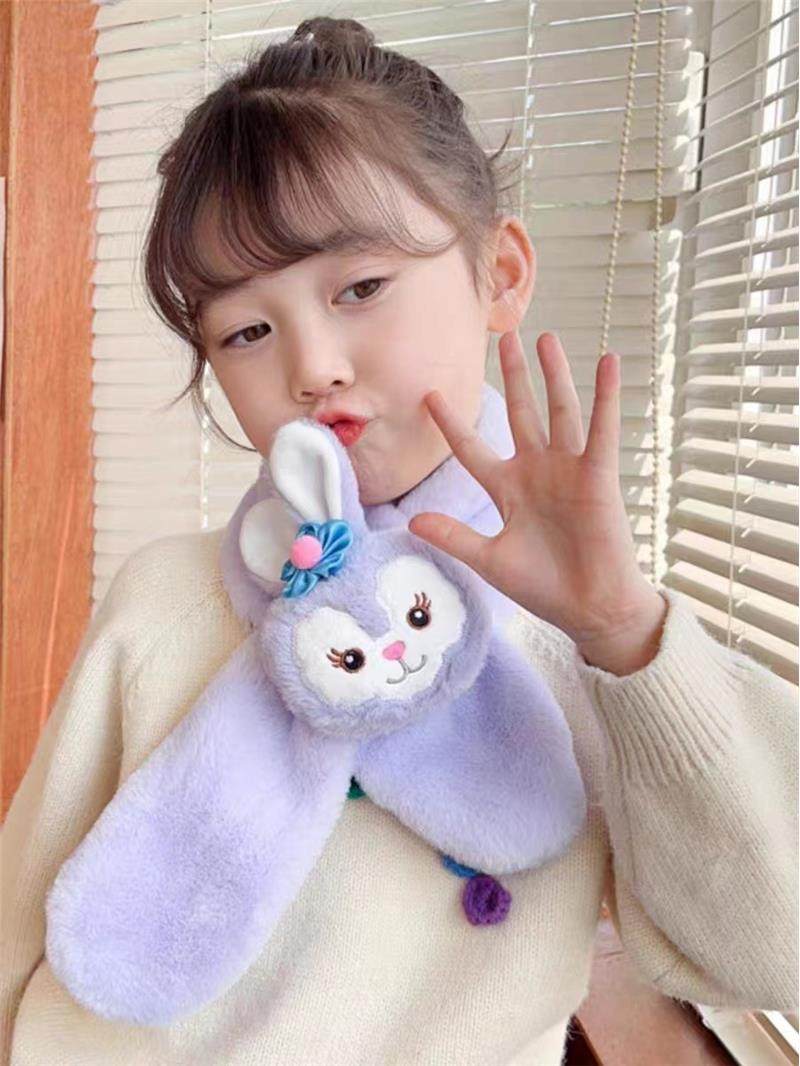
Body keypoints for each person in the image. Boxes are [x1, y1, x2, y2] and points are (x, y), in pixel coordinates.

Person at [1, 15, 797, 1066]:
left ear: (499, 274)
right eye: (245, 331)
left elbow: (770, 953)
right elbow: (19, 918)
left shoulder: (580, 627)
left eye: (360, 288)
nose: (312, 367)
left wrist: (625, 632)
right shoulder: (165, 603)